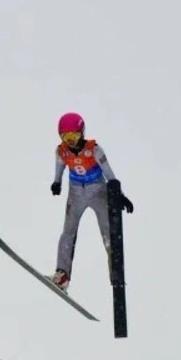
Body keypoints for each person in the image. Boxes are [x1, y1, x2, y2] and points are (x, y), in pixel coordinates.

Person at [50, 112, 133, 291]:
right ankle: (62, 275)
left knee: (108, 234)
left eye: (74, 135)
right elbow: (59, 166)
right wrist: (57, 182)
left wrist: (120, 194)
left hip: (98, 191)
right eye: (66, 137)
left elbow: (109, 173)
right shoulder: (61, 151)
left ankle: (116, 276)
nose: (70, 140)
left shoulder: (94, 149)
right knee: (68, 232)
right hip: (76, 192)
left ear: (82, 132)